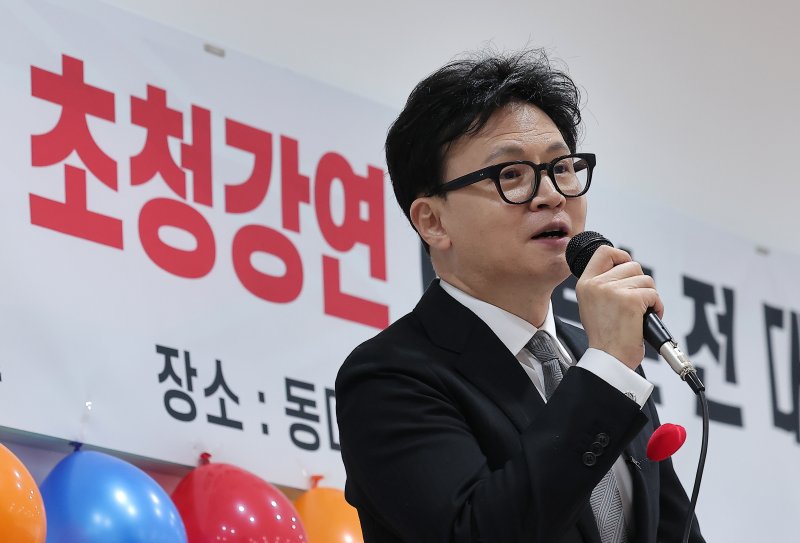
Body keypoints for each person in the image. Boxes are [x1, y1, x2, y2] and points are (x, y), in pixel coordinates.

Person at [335, 49, 704, 543]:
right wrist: (608, 370)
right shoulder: (391, 376)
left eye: (562, 168)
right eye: (510, 174)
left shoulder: (599, 362)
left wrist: (610, 367)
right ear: (433, 221)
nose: (551, 195)